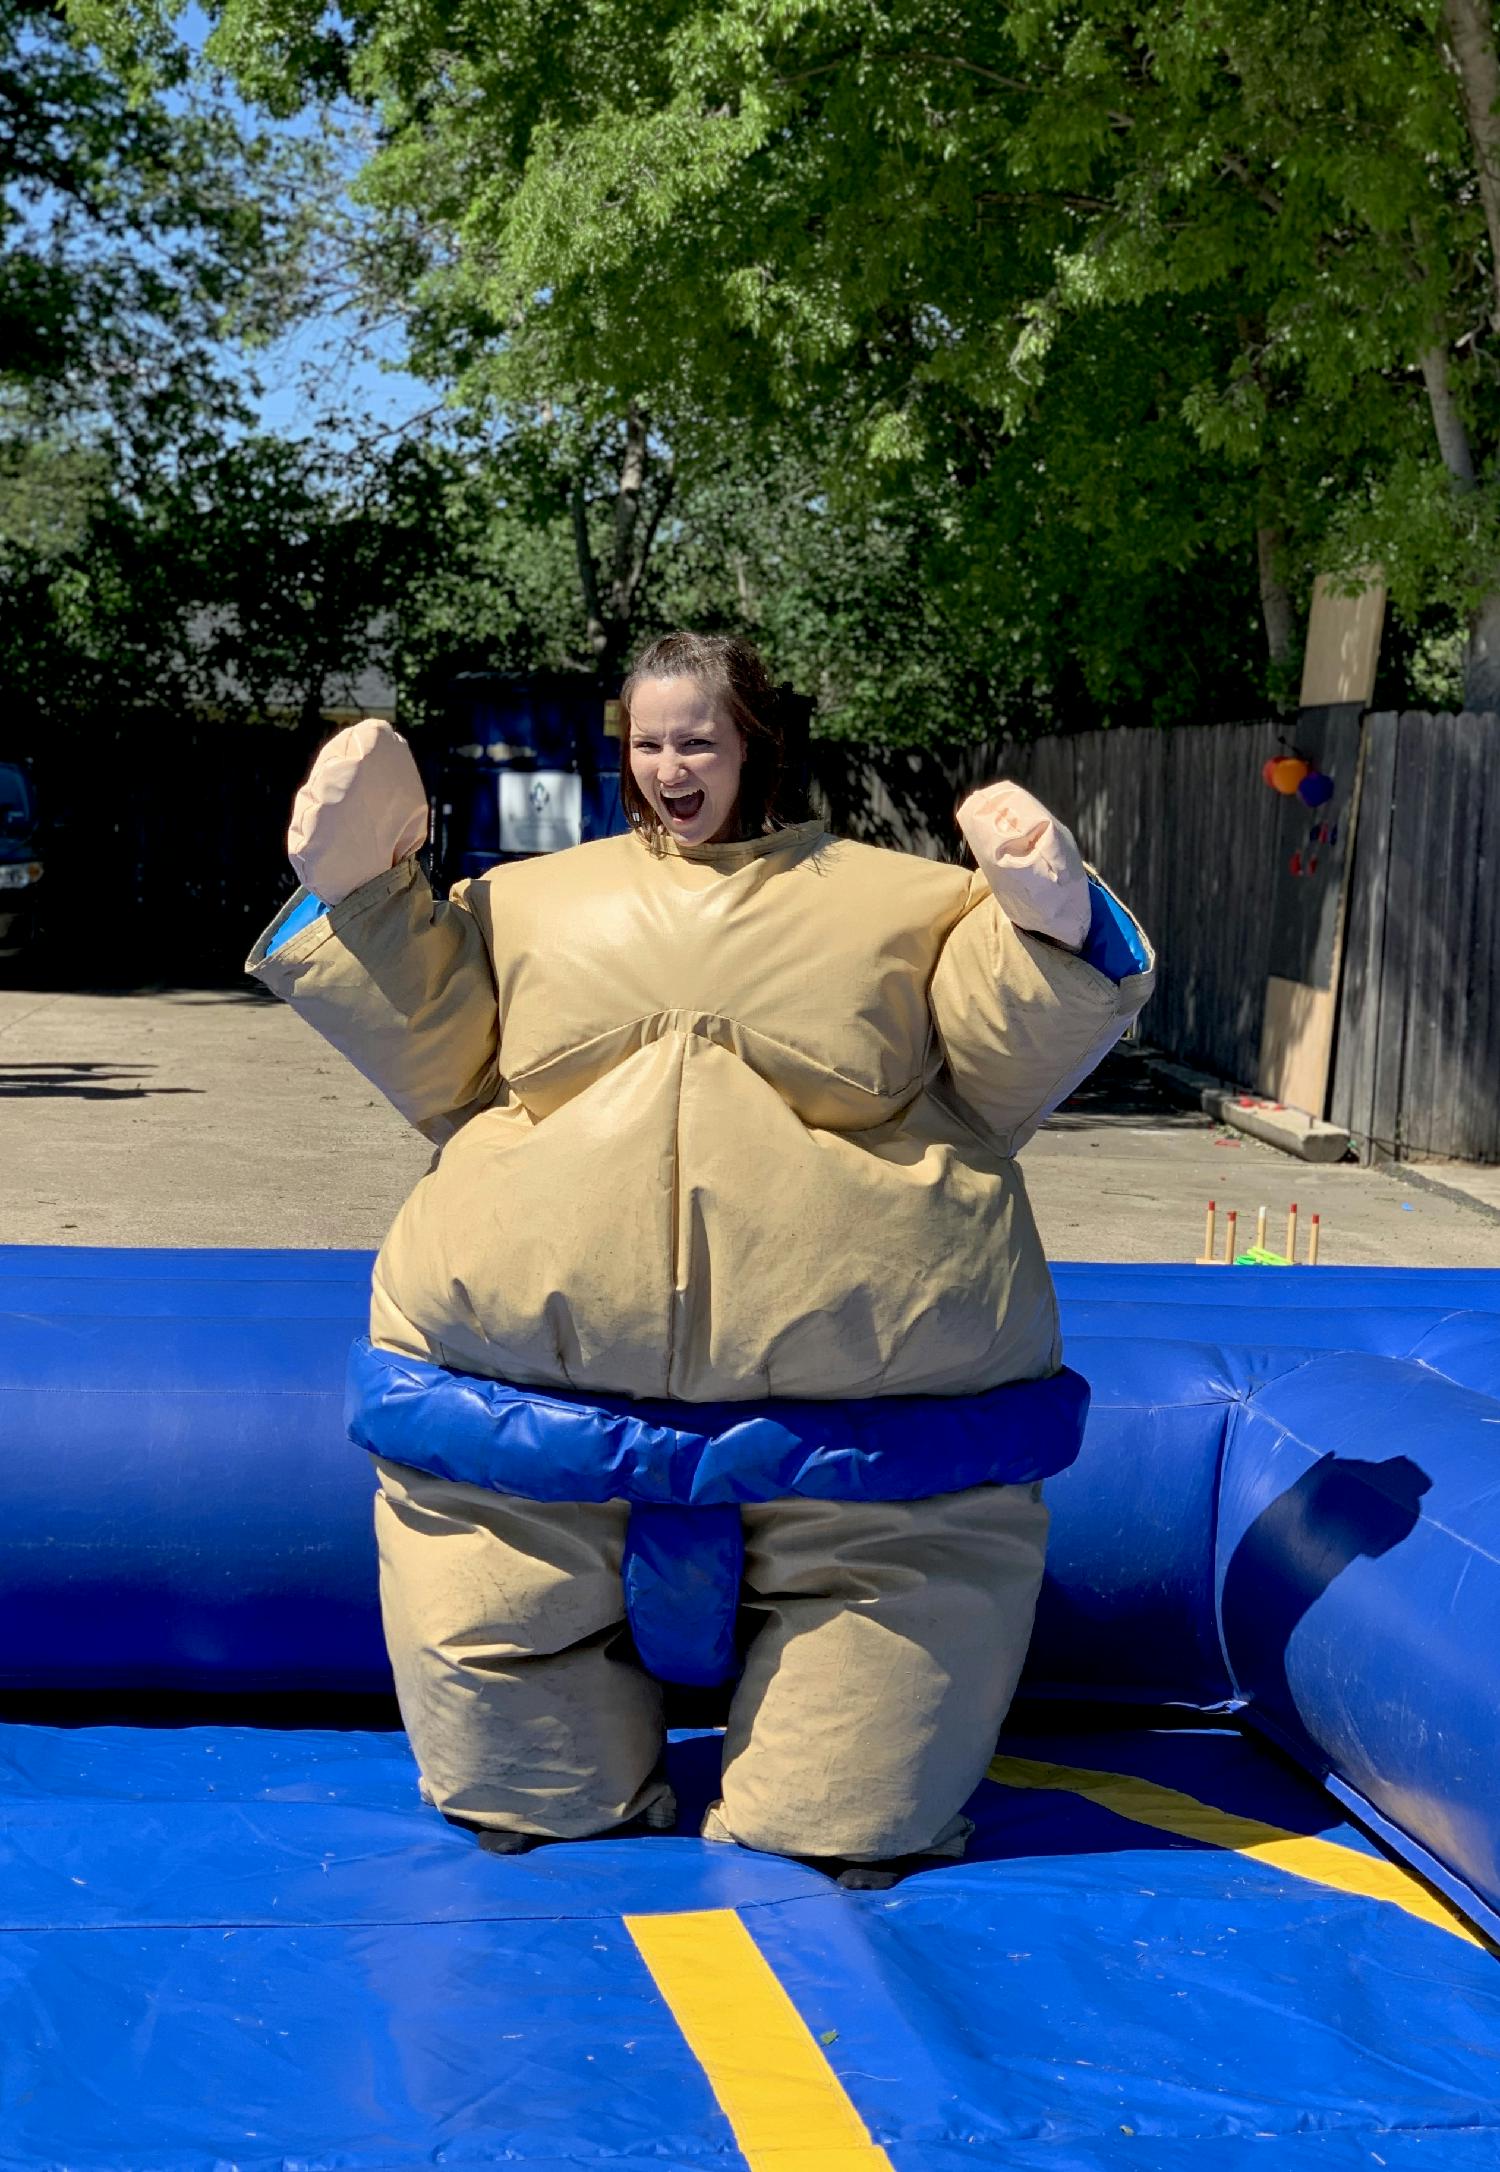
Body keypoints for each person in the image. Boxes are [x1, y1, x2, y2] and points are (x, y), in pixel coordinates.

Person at [248, 632, 1153, 1880]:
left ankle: (839, 1782)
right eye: (649, 740)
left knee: (848, 1814)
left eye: (699, 739)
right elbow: (437, 1054)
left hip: (871, 1467)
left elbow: (998, 1070)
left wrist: (1047, 930)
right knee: (525, 1784)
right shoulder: (531, 898)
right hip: (527, 1445)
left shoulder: (896, 900)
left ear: (755, 747)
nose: (672, 765)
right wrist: (363, 896)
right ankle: (553, 1764)